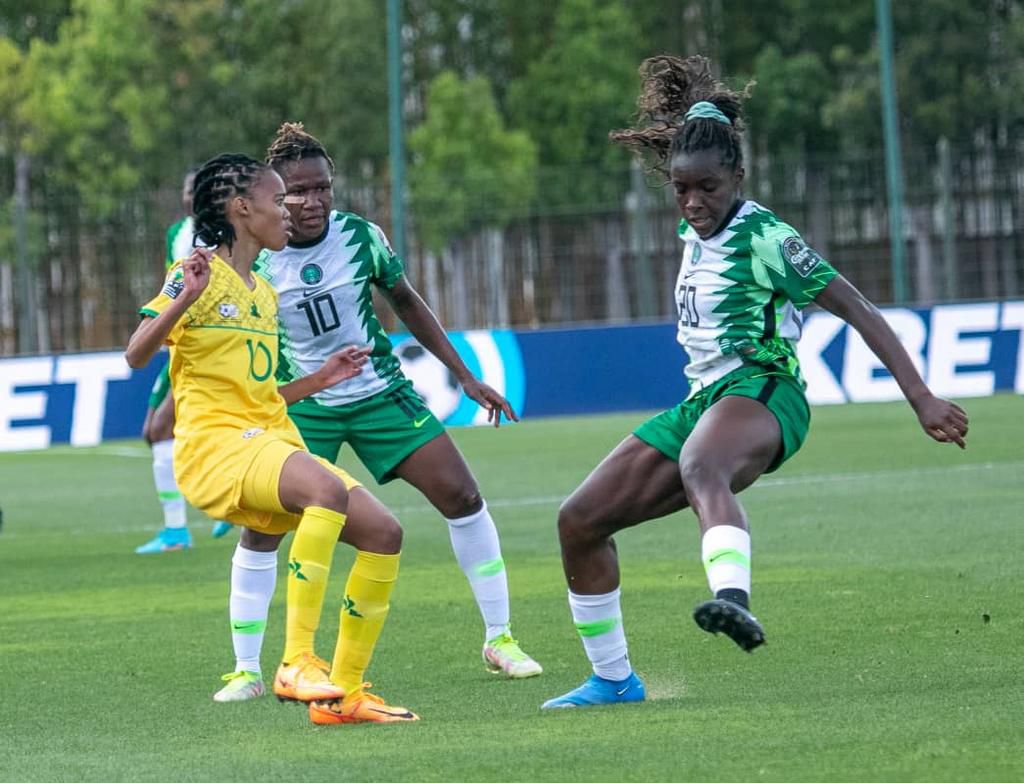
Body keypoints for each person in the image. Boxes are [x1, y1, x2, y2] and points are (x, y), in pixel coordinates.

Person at [541, 55, 970, 709]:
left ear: (737, 176)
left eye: (707, 188)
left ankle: (732, 600)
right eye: (682, 189)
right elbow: (696, 141)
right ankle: (613, 679)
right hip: (701, 399)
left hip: (765, 390)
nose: (693, 202)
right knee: (578, 520)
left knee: (701, 465)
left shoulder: (766, 235)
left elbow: (856, 306)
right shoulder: (694, 222)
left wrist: (922, 397)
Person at [212, 123, 541, 703]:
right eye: (297, 192)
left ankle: (500, 638)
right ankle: (246, 670)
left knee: (463, 497)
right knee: (261, 528)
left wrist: (464, 375)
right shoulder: (256, 262)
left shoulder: (360, 237)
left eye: (323, 189)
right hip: (304, 406)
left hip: (377, 394)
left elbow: (406, 301)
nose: (312, 202)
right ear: (273, 196)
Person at [125, 152, 418, 725]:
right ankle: (296, 661)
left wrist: (321, 378)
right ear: (241, 208)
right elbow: (136, 354)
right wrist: (184, 296)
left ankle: (344, 696)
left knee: (385, 532)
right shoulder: (197, 272)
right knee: (325, 495)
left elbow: (261, 396)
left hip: (264, 436)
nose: (289, 212)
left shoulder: (262, 290)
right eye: (278, 201)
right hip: (215, 450)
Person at [135, 168, 232, 554]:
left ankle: (186, 527)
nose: (190, 196)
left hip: (214, 349)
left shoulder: (228, 235)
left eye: (197, 190)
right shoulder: (177, 233)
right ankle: (186, 524)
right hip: (181, 345)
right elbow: (172, 286)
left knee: (162, 429)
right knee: (153, 431)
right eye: (187, 190)